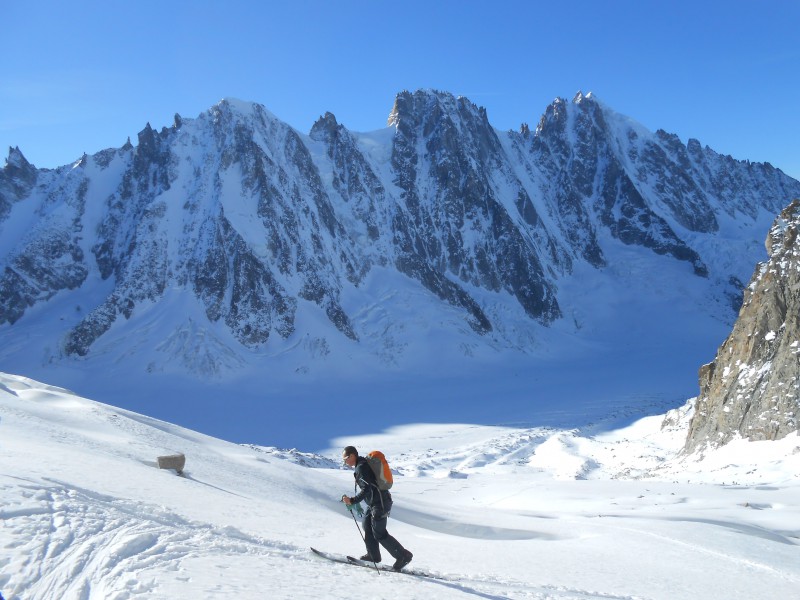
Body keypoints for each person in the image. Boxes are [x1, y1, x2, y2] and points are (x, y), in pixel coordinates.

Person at [341, 446, 413, 571]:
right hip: (375, 503)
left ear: (352, 456)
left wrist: (352, 500)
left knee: (379, 532)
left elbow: (366, 488)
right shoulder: (362, 464)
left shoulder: (361, 467)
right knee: (367, 526)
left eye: (345, 459)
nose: (345, 462)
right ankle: (373, 556)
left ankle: (403, 556)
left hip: (380, 503)